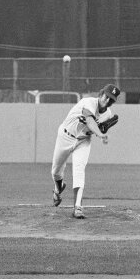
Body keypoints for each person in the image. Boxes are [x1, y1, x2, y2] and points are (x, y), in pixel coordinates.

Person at [51, 84, 120, 219]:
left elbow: (99, 128)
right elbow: (89, 120)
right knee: (55, 171)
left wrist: (103, 130)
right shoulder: (88, 102)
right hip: (65, 136)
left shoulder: (108, 114)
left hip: (83, 141)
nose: (107, 101)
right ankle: (58, 188)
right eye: (107, 97)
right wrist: (100, 134)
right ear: (101, 94)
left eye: (111, 100)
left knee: (79, 170)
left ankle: (78, 207)